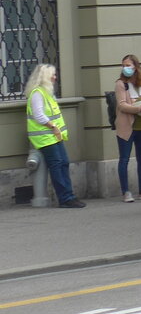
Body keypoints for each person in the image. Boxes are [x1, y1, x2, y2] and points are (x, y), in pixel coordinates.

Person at [24, 63, 86, 208]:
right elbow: (39, 115)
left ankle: (69, 195)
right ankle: (65, 198)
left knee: (63, 163)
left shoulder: (47, 93)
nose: (55, 78)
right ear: (45, 77)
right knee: (57, 165)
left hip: (52, 135)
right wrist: (53, 126)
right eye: (53, 75)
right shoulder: (38, 93)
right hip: (45, 136)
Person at [114, 54, 141, 202]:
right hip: (126, 126)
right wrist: (139, 108)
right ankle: (125, 191)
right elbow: (121, 105)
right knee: (124, 159)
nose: (125, 68)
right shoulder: (121, 84)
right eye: (123, 65)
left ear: (136, 67)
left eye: (128, 65)